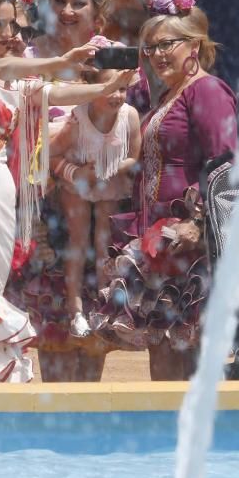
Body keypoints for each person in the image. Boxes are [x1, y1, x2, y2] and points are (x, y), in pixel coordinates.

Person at [0, 0, 136, 382]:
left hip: (0, 191)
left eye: (14, 27)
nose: (10, 35)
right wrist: (62, 60)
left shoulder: (14, 83)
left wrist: (110, 85)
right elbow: (4, 66)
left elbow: (59, 94)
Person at [87, 0, 238, 380]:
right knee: (166, 358)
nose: (156, 55)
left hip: (192, 247)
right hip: (163, 246)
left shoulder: (207, 91)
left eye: (166, 44)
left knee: (187, 360)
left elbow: (226, 166)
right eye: (150, 47)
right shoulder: (171, 94)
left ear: (196, 44)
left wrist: (200, 224)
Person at [48, 64, 141, 337]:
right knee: (77, 240)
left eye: (122, 89)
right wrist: (78, 173)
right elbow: (51, 155)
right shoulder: (78, 119)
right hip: (76, 182)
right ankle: (75, 309)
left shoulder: (130, 116)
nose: (117, 96)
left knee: (104, 242)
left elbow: (134, 157)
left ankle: (104, 306)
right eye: (111, 89)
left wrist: (106, 169)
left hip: (109, 180)